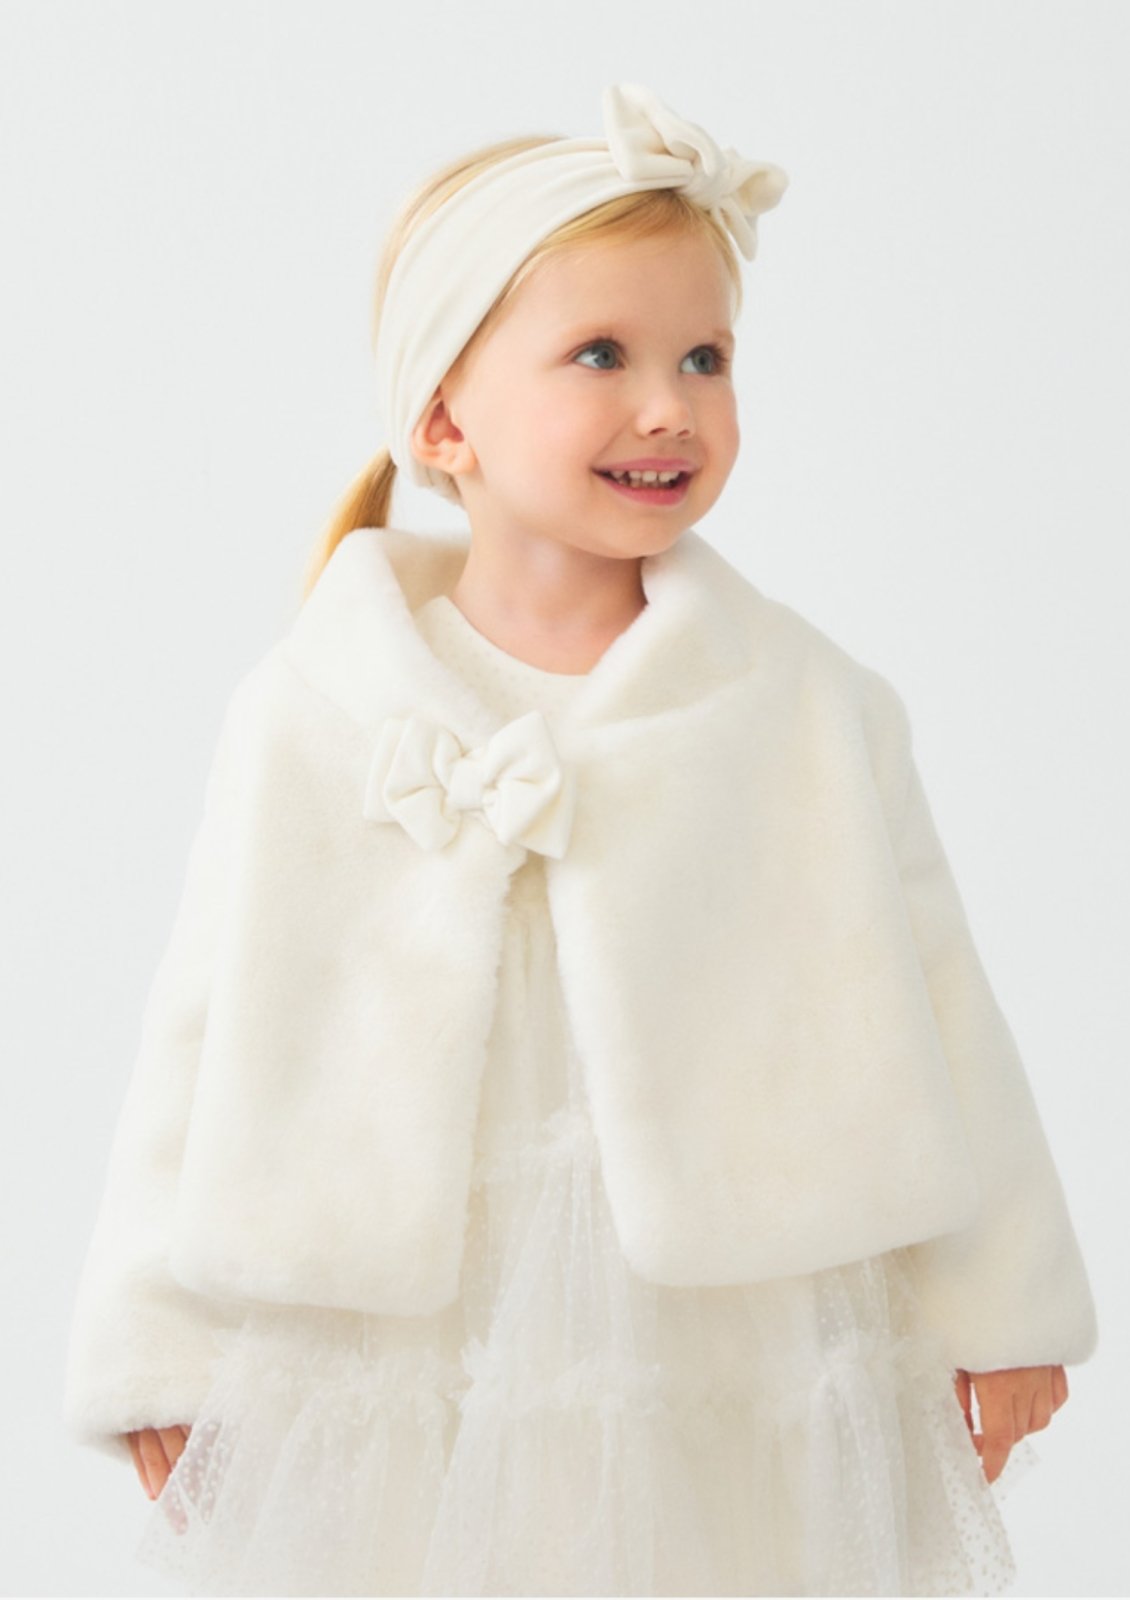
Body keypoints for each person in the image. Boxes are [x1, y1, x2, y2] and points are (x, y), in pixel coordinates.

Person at [61, 82, 1098, 1597]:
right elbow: (207, 1026)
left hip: (736, 1313)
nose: (669, 405)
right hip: (404, 1324)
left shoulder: (804, 702)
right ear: (443, 418)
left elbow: (934, 998)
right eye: (601, 354)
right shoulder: (316, 707)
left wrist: (999, 1304)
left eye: (705, 358)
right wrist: (157, 1343)